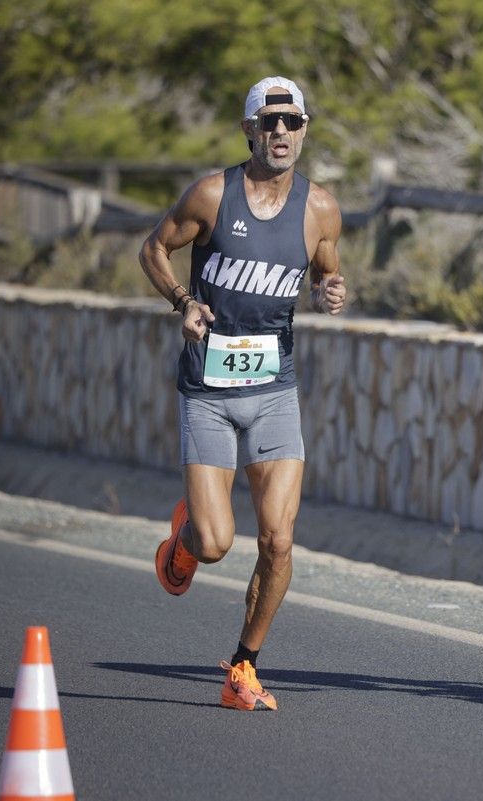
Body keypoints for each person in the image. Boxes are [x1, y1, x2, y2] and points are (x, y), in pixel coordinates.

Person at [138, 76, 346, 710]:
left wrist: (329, 292)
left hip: (275, 391)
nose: (281, 132)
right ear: (249, 130)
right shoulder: (211, 195)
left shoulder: (320, 209)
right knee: (216, 543)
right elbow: (154, 248)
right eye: (269, 121)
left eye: (293, 121)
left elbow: (328, 272)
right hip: (207, 391)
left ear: (304, 130)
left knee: (278, 540)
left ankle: (244, 667)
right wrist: (183, 300)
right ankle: (183, 542)